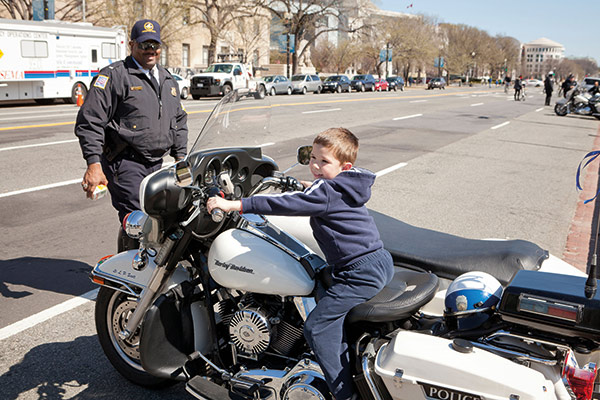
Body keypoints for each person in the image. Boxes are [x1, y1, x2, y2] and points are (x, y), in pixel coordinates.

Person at [207, 128, 394, 400]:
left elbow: (284, 205)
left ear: (345, 166)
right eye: (313, 158)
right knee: (317, 279)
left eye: (324, 162)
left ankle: (345, 394)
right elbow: (321, 193)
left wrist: (235, 204)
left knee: (317, 327)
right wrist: (305, 185)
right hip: (377, 262)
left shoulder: (326, 192)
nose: (316, 165)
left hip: (358, 273)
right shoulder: (347, 184)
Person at [75, 19, 188, 251]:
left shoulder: (167, 79)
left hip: (156, 163)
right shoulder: (115, 76)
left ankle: (143, 269)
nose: (150, 50)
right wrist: (94, 164)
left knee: (163, 219)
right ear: (131, 44)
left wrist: (181, 158)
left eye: (154, 44)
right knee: (141, 219)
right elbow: (90, 121)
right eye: (144, 44)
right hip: (125, 162)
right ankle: (128, 275)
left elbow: (179, 120)